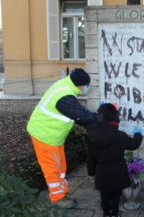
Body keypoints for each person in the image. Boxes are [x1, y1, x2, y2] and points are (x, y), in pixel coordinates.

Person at [27, 68, 97, 208]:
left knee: (60, 165)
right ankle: (57, 198)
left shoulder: (66, 87)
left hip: (53, 136)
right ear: (79, 85)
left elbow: (79, 112)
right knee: (52, 168)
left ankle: (62, 192)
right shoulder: (64, 96)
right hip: (44, 135)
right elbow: (81, 116)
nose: (86, 88)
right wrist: (103, 117)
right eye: (86, 86)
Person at [86, 103, 142, 217]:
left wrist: (91, 172)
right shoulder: (119, 135)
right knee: (116, 195)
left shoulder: (92, 134)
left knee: (104, 195)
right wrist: (138, 134)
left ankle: (107, 216)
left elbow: (90, 155)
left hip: (101, 170)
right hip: (117, 169)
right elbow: (133, 145)